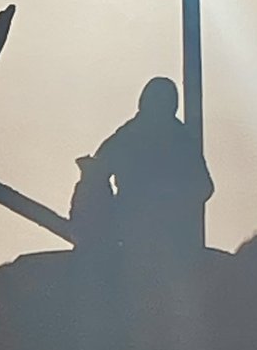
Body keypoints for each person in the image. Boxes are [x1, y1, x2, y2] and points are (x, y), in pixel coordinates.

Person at [90, 76, 213, 258]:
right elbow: (96, 173)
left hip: (171, 239)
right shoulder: (129, 136)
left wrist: (171, 198)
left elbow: (204, 187)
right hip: (129, 232)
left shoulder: (181, 141)